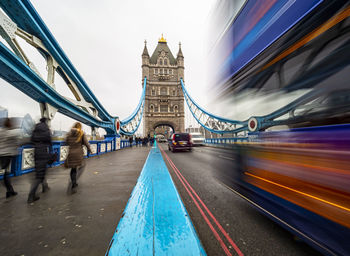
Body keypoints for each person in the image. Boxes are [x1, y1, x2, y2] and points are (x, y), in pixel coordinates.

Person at [28, 117, 52, 203]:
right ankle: (31, 196)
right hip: (43, 151)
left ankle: (45, 187)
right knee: (40, 174)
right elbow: (49, 141)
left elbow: (31, 140)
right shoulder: (46, 129)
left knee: (40, 170)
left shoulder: (35, 128)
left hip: (36, 151)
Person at [65, 122, 91, 193]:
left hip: (71, 153)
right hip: (79, 154)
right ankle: (74, 181)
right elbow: (86, 143)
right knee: (82, 166)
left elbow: (66, 142)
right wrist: (90, 149)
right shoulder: (81, 133)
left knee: (73, 169)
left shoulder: (69, 133)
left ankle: (73, 182)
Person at [0, 118, 20, 198]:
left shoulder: (1, 132)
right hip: (7, 155)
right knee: (6, 172)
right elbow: (18, 141)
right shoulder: (11, 133)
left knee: (4, 171)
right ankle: (9, 191)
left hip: (1, 154)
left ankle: (10, 190)